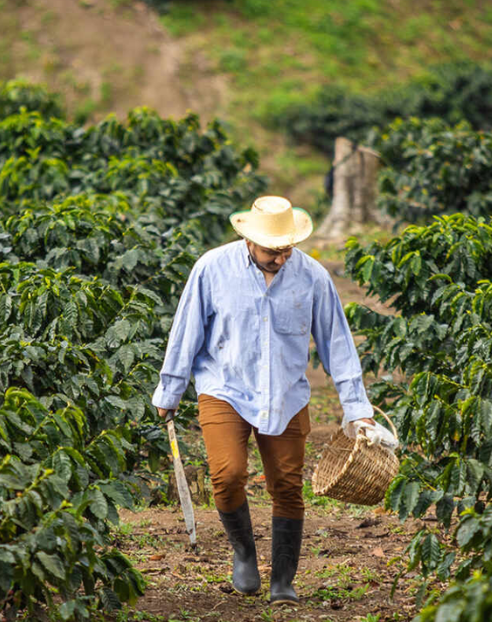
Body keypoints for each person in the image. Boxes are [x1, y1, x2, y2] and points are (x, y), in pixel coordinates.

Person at [151, 195, 381, 605]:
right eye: (272, 251)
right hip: (224, 387)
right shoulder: (212, 268)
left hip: (286, 393)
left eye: (286, 249)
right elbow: (186, 331)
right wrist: (170, 389)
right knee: (227, 475)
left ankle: (283, 580)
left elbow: (337, 344)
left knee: (288, 485)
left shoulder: (312, 277)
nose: (280, 258)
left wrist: (357, 409)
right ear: (249, 240)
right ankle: (243, 553)